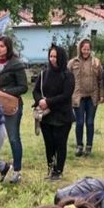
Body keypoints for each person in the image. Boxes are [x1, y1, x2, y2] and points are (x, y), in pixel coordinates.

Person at [0, 35, 27, 183]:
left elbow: (23, 87)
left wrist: (5, 92)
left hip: (11, 106)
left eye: (2, 46)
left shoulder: (16, 64)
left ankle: (17, 171)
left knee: (13, 137)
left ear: (8, 47)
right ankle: (1, 167)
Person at [33, 44, 75, 181]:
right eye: (50, 56)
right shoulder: (44, 73)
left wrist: (49, 102)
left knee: (60, 144)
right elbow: (36, 90)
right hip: (46, 116)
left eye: (55, 56)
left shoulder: (67, 75)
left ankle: (58, 170)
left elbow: (66, 94)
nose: (52, 59)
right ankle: (51, 168)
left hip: (62, 115)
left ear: (61, 57)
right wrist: (40, 100)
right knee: (49, 144)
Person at [68, 38, 104, 157]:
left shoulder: (96, 62)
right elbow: (67, 79)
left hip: (92, 96)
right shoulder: (72, 63)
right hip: (78, 96)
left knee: (90, 122)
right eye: (84, 49)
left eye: (88, 49)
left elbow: (101, 79)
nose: (86, 51)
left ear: (91, 49)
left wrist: (102, 94)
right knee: (79, 122)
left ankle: (89, 146)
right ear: (80, 49)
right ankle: (79, 146)